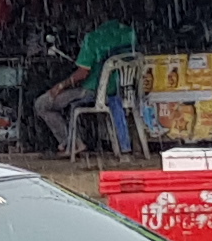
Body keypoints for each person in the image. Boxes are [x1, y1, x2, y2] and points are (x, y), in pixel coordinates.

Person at [35, 17, 140, 157]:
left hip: (94, 91)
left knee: (42, 104)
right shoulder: (129, 33)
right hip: (121, 91)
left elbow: (82, 73)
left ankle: (72, 143)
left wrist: (60, 86)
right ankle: (124, 146)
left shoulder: (93, 38)